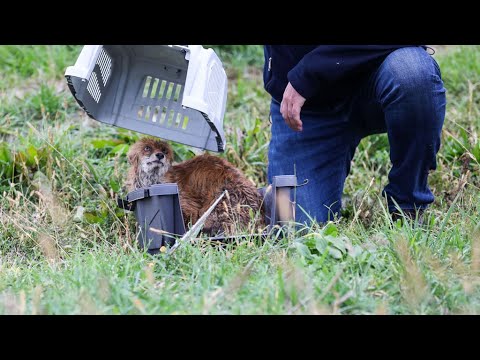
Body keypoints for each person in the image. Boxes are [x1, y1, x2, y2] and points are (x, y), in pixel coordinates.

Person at [264, 45, 446, 224]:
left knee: (411, 74)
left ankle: (407, 207)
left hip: (376, 76)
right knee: (292, 227)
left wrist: (309, 72)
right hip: (307, 109)